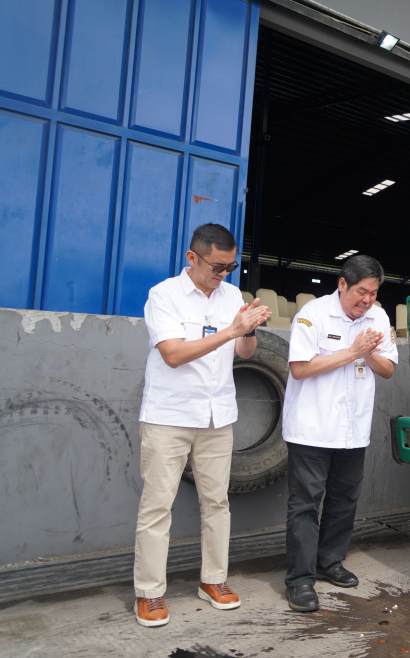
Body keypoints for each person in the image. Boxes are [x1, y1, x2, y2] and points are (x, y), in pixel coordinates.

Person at [133, 223, 270, 627]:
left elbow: (243, 351)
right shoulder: (164, 296)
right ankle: (150, 592)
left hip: (216, 415)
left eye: (230, 267)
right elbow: (173, 355)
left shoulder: (231, 296)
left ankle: (213, 580)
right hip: (169, 416)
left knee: (217, 502)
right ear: (192, 258)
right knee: (157, 506)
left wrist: (248, 331)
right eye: (216, 266)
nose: (223, 275)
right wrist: (233, 329)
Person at [282, 255, 398, 612]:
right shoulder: (313, 314)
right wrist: (352, 352)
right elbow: (301, 368)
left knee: (344, 501)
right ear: (343, 285)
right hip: (311, 429)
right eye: (361, 292)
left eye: (374, 293)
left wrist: (371, 352)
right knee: (305, 505)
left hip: (353, 430)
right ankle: (300, 580)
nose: (367, 300)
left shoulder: (378, 316)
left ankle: (329, 561)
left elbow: (388, 369)